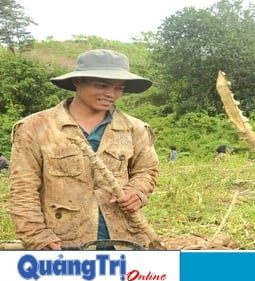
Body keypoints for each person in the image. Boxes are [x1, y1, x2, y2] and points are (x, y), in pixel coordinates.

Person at [8, 49, 160, 250]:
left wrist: (136, 191)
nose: (111, 94)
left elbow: (146, 170)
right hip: (63, 244)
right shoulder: (35, 128)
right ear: (77, 82)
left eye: (119, 87)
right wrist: (36, 235)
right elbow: (23, 188)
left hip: (125, 242)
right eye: (102, 85)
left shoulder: (135, 129)